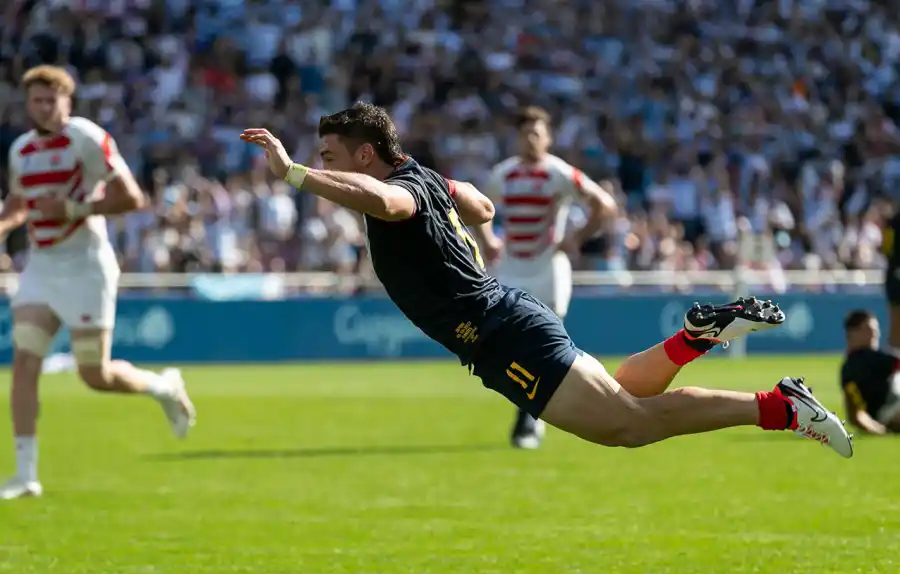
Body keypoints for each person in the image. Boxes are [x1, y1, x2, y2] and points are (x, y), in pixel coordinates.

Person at [240, 102, 853, 459]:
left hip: (501, 334)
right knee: (626, 399)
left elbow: (386, 202)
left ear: (365, 155)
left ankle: (780, 408)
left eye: (329, 157)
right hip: (510, 316)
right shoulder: (425, 177)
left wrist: (294, 174)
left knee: (629, 427)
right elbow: (483, 207)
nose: (324, 167)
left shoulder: (395, 192)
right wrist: (450, 200)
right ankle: (693, 338)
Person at [0, 65, 196, 500]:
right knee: (25, 362)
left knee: (96, 374)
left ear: (67, 102)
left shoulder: (86, 138)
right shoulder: (21, 149)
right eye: (36, 101)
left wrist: (72, 209)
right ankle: (25, 475)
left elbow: (132, 197)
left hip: (87, 266)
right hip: (42, 267)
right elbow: (19, 202)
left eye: (51, 100)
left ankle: (163, 387)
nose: (44, 108)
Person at [475, 106, 616, 449]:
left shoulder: (559, 173)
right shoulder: (504, 174)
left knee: (543, 346)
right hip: (511, 269)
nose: (530, 139)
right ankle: (533, 412)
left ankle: (529, 418)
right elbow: (477, 208)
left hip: (548, 269)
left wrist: (577, 238)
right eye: (525, 133)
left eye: (536, 133)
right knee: (511, 348)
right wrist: (488, 240)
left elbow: (605, 205)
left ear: (548, 138)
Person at [841, 309, 900, 435]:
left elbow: (854, 415)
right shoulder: (869, 359)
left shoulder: (847, 367)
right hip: (890, 413)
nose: (875, 334)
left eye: (876, 329)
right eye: (868, 329)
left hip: (881, 418)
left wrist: (877, 429)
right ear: (852, 333)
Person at [882, 210, 900, 350]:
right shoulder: (895, 222)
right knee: (896, 326)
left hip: (894, 275)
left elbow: (886, 249)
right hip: (896, 277)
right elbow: (886, 249)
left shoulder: (893, 221)